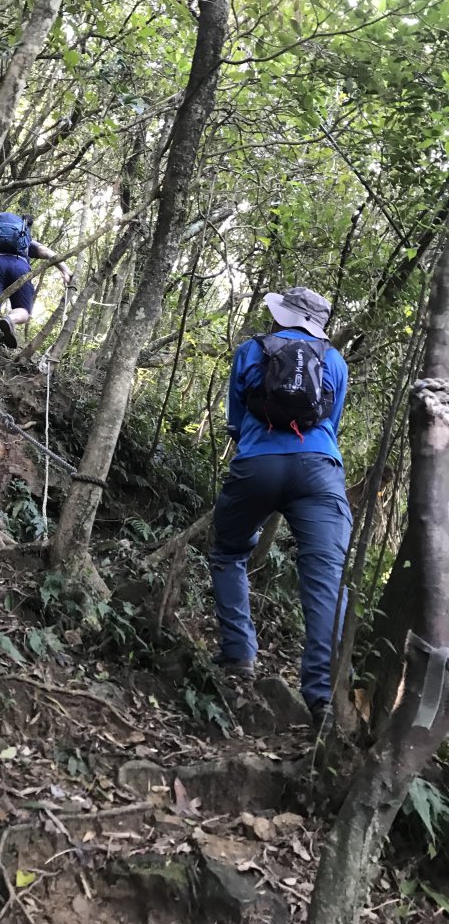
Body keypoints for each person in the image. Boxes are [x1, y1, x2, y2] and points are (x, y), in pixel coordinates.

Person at [209, 286, 352, 733]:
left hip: (257, 464)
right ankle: (324, 697)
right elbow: (331, 422)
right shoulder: (334, 361)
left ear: (279, 316)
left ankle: (239, 654)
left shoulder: (250, 351)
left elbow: (235, 419)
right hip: (319, 471)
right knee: (328, 576)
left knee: (228, 551)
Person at [0, 212, 72, 366]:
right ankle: (10, 319)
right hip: (20, 267)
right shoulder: (26, 242)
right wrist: (65, 271)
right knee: (24, 311)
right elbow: (48, 253)